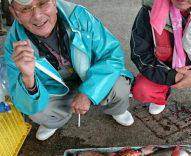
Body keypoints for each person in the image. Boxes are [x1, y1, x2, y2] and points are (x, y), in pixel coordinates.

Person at [4, 0, 134, 141]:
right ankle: (53, 122)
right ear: (15, 13)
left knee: (119, 85)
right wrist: (28, 78)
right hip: (55, 90)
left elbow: (111, 55)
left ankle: (117, 110)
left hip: (91, 76)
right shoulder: (14, 45)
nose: (37, 16)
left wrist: (88, 93)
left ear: (54, 2)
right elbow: (22, 102)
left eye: (42, 3)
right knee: (38, 112)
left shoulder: (78, 16)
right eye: (25, 9)